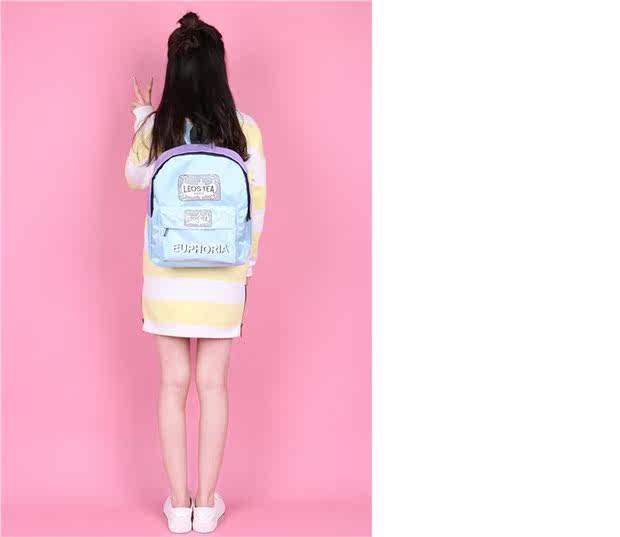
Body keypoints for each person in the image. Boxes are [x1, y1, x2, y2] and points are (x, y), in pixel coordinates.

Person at [124, 11, 266, 533]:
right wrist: (246, 267)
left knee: (172, 385)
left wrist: (143, 114)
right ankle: (207, 505)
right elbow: (257, 205)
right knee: (213, 386)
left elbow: (134, 177)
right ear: (218, 69)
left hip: (166, 276)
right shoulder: (244, 128)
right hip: (223, 278)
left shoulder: (157, 128)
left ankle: (178, 504)